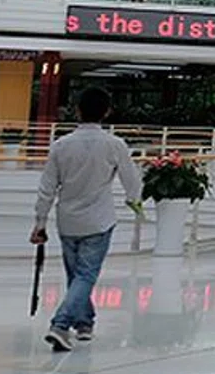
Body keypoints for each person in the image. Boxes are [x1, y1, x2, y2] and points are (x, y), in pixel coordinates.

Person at [31, 86, 141, 352]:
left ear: (77, 111)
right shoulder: (115, 145)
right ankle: (60, 325)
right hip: (99, 220)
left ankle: (84, 322)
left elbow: (47, 188)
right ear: (107, 112)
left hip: (68, 220)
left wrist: (40, 223)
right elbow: (132, 180)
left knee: (77, 275)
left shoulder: (61, 145)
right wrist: (134, 201)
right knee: (85, 275)